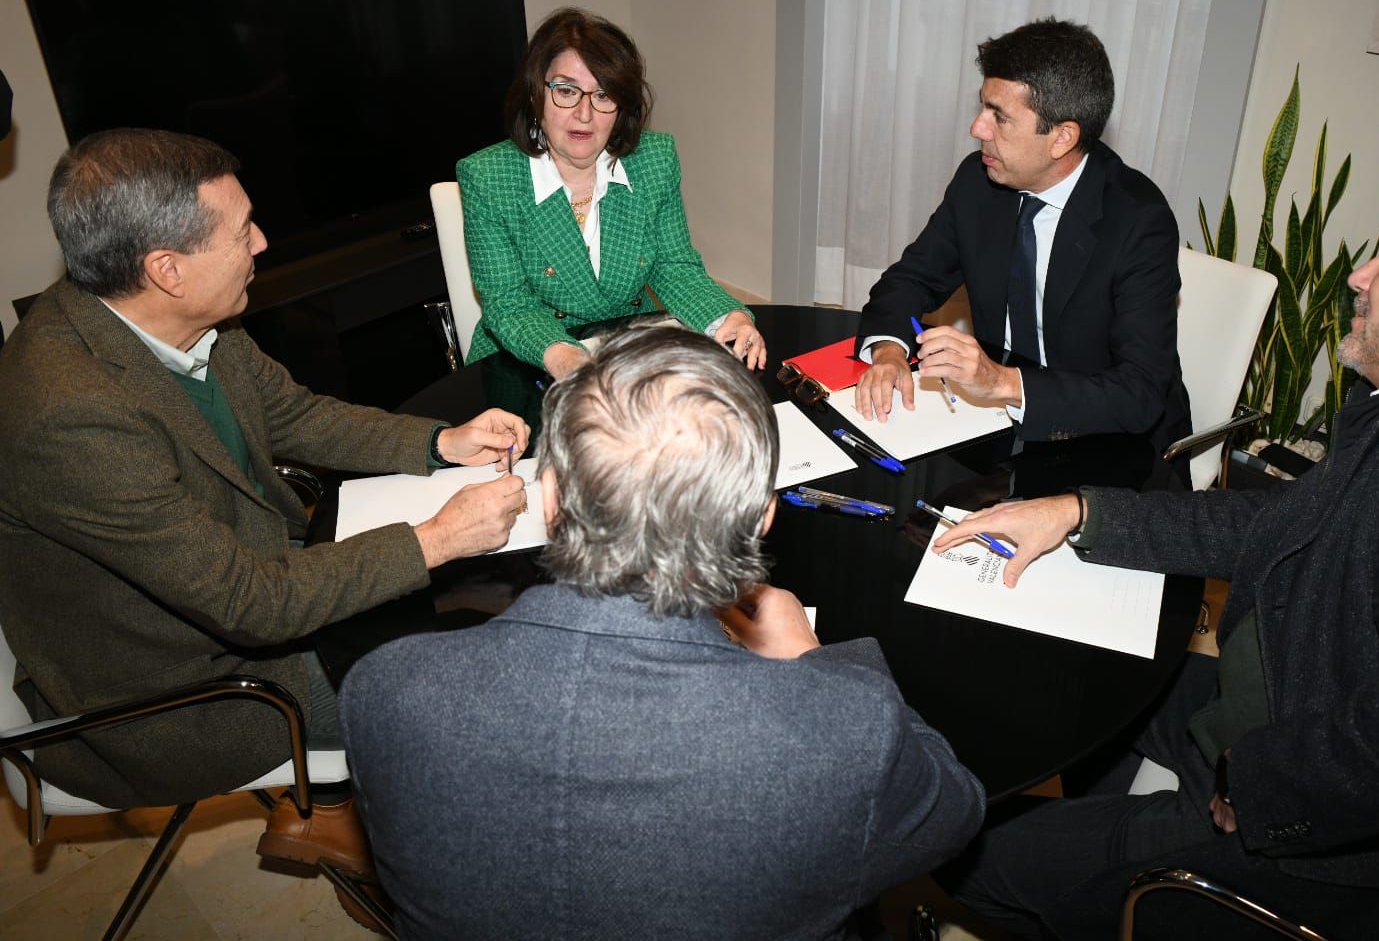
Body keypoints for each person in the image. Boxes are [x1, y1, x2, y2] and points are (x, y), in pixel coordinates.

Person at [929, 164, 1379, 938]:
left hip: (1326, 851)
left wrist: (1257, 785)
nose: (1359, 275)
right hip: (1293, 698)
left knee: (958, 850)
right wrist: (1080, 512)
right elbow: (1284, 520)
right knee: (1068, 681)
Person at [0, 128, 530, 925]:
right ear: (165, 270)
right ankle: (424, 866)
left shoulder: (175, 321)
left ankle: (345, 813)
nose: (261, 242)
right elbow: (253, 606)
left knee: (475, 614)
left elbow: (293, 414)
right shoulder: (72, 415)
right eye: (240, 230)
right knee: (458, 692)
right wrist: (439, 537)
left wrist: (436, 443)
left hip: (240, 587)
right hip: (179, 684)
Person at [340, 324, 986, 939]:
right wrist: (815, 661)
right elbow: (955, 814)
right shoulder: (846, 726)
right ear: (762, 518)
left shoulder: (384, 686)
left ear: (552, 497)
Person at [854, 18, 1190, 455]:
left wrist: (1001, 382)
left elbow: (1139, 393)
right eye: (982, 107)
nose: (978, 129)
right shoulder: (980, 182)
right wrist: (889, 354)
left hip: (1108, 446)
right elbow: (909, 280)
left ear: (1062, 138)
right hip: (995, 429)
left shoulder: (1138, 221)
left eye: (1000, 117)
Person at [456, 6, 764, 383]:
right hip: (527, 357)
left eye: (604, 95)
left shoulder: (654, 159)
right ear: (537, 93)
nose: (585, 114)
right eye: (566, 91)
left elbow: (673, 266)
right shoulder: (488, 176)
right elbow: (508, 303)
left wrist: (725, 316)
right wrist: (563, 355)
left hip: (626, 347)